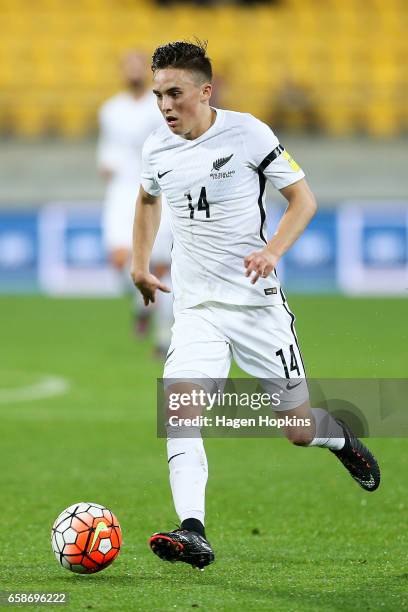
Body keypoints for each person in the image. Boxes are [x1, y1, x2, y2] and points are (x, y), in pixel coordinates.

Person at [131, 41, 380, 570]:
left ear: (205, 90)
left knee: (298, 429)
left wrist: (272, 251)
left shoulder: (249, 133)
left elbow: (303, 199)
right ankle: (193, 530)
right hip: (197, 310)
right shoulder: (156, 148)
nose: (166, 106)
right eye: (158, 96)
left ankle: (338, 439)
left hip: (256, 309)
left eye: (175, 94)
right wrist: (140, 262)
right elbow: (148, 198)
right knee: (180, 410)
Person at [98, 50, 173, 355]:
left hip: (158, 189)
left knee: (162, 266)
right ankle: (141, 303)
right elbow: (107, 150)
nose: (133, 71)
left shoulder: (161, 105)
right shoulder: (110, 109)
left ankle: (164, 334)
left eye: (137, 66)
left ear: (148, 71)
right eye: (127, 65)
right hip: (122, 190)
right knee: (119, 259)